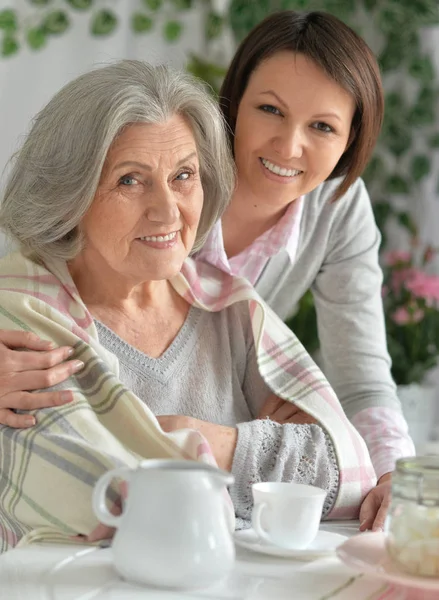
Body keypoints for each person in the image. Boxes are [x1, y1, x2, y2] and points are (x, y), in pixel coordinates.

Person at [0, 11, 414, 531]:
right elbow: (32, 259)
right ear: (233, 105)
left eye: (323, 127)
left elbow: (357, 400)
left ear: (351, 140)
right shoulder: (56, 280)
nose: (288, 147)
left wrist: (394, 476)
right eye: (270, 109)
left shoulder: (317, 228)